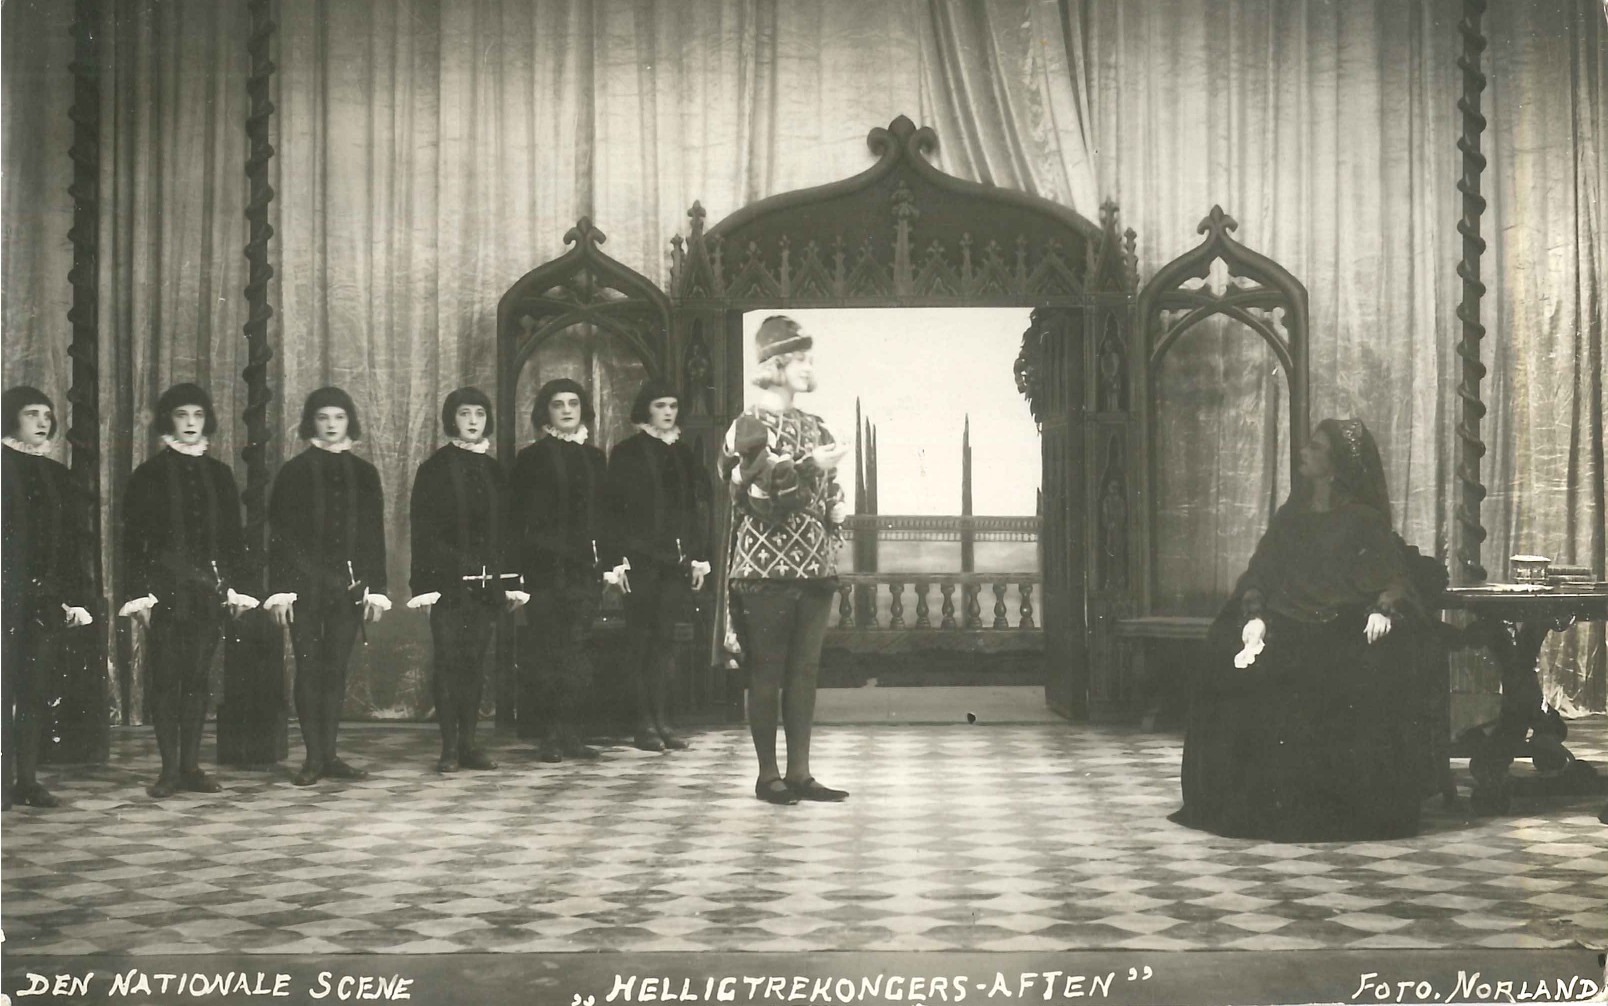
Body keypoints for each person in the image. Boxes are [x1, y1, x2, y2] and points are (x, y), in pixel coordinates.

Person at [1170, 418, 1434, 841]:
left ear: (1336, 465)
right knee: (1226, 662)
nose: (1304, 453)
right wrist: (1255, 615)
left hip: (1340, 626)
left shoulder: (1363, 520)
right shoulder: (1290, 517)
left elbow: (1394, 577)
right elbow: (1260, 572)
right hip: (1286, 622)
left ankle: (1334, 807)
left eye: (1316, 447)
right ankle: (1244, 801)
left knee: (1330, 678)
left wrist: (1383, 610)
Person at [721, 316, 850, 805]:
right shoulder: (749, 425)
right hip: (764, 570)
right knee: (767, 672)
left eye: (809, 360)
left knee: (804, 672)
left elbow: (825, 492)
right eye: (799, 360)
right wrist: (813, 466)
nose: (808, 368)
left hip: (814, 567)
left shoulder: (815, 425)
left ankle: (800, 773)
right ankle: (767, 775)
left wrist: (835, 503)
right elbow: (766, 497)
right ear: (775, 366)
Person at [119, 384, 259, 799]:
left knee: (197, 679)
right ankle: (168, 771)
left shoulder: (220, 474)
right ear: (169, 421)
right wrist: (140, 595)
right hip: (164, 595)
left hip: (207, 594)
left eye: (197, 415)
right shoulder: (148, 474)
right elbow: (133, 543)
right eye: (182, 415)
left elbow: (233, 540)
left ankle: (191, 767)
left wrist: (237, 590)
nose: (191, 423)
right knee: (166, 679)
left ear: (206, 420)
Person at [265, 388, 391, 786]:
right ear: (311, 423)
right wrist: (282, 590)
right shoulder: (294, 472)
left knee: (335, 670)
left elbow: (373, 537)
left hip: (348, 589)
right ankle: (313, 758)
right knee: (309, 667)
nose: (332, 425)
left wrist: (375, 589)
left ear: (349, 421)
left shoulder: (365, 473)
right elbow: (281, 537)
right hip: (303, 588)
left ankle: (330, 755)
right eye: (323, 418)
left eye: (339, 417)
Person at [407, 387, 526, 773]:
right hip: (447, 584)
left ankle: (470, 745)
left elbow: (508, 531)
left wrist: (509, 581)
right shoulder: (434, 469)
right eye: (464, 413)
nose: (473, 421)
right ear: (451, 419)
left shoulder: (494, 471)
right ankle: (448, 748)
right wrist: (426, 586)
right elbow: (424, 533)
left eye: (479, 413)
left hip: (486, 586)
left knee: (474, 662)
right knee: (448, 661)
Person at [605, 380, 711, 752]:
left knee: (665, 642)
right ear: (645, 410)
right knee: (640, 642)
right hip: (639, 563)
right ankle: (642, 723)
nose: (668, 412)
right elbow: (614, 512)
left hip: (674, 565)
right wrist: (617, 563)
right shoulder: (626, 452)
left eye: (672, 406)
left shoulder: (682, 452)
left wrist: (696, 559)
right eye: (660, 405)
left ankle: (663, 720)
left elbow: (693, 511)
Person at [2, 387, 94, 810]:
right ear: (11, 418)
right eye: (31, 413)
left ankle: (26, 780)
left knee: (34, 690)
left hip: (43, 600)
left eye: (46, 414)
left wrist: (73, 598)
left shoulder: (58, 475)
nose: (42, 422)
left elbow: (72, 543)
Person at [511, 378, 612, 762]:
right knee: (547, 651)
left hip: (584, 571)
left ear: (583, 410)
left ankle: (572, 733)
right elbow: (517, 520)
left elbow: (604, 516)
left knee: (577, 652)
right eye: (558, 404)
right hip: (544, 571)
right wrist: (518, 573)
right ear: (546, 412)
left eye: (573, 403)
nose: (567, 410)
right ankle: (550, 735)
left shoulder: (595, 458)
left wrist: (606, 564)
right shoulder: (530, 458)